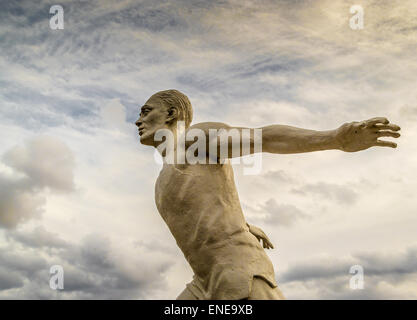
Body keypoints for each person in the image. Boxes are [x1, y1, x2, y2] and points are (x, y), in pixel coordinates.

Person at [135, 89, 401, 300]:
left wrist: (334, 139)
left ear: (170, 114)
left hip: (237, 274)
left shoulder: (194, 140)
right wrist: (244, 225)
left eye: (146, 112)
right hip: (202, 284)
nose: (139, 120)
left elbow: (264, 138)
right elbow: (205, 205)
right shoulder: (164, 177)